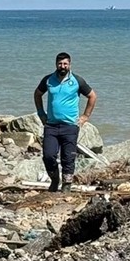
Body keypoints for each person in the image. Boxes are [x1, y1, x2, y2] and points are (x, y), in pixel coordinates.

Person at [33, 52, 97, 192]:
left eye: (65, 64)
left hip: (70, 126)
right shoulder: (48, 80)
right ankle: (55, 180)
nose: (63, 66)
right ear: (56, 64)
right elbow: (37, 94)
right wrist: (41, 113)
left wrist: (85, 116)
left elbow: (92, 96)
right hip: (51, 125)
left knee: (68, 158)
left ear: (70, 65)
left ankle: (66, 187)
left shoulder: (77, 81)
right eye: (60, 63)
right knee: (48, 155)